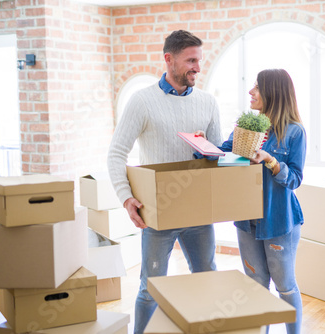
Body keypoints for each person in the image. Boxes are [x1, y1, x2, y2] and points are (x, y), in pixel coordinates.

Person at [107, 30, 222, 334]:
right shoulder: (142, 101)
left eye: (200, 60)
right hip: (158, 213)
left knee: (206, 277)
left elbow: (217, 157)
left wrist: (217, 154)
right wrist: (125, 197)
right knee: (151, 288)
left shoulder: (208, 103)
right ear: (169, 59)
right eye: (191, 60)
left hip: (199, 212)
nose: (197, 67)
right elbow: (116, 153)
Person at [207, 69, 306, 334]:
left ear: (273, 92)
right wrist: (202, 144)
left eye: (257, 88)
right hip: (246, 220)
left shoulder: (294, 133)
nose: (251, 92)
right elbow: (222, 152)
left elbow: (295, 179)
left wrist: (271, 161)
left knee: (285, 285)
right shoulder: (248, 127)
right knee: (255, 284)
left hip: (279, 221)